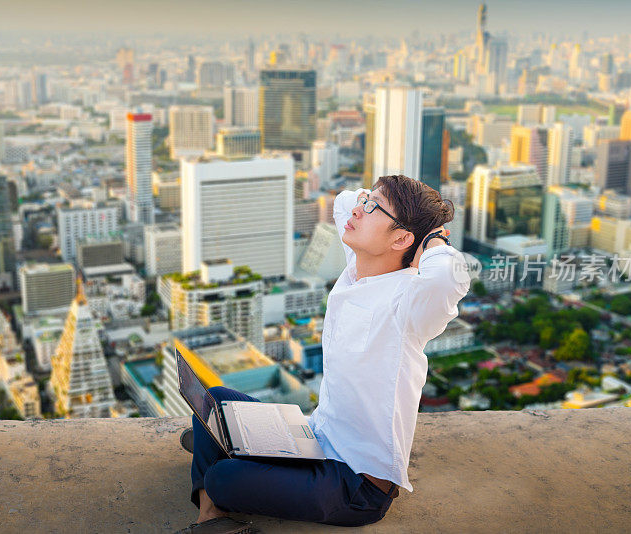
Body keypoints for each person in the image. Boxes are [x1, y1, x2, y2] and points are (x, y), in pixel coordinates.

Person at [176, 175, 471, 534]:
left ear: (402, 239)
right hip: (316, 438)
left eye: (373, 207)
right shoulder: (359, 266)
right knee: (215, 400)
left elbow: (450, 277)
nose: (359, 210)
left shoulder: (408, 301)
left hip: (354, 481)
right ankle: (214, 507)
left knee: (222, 476)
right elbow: (344, 201)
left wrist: (435, 237)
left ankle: (214, 486)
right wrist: (377, 203)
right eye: (367, 199)